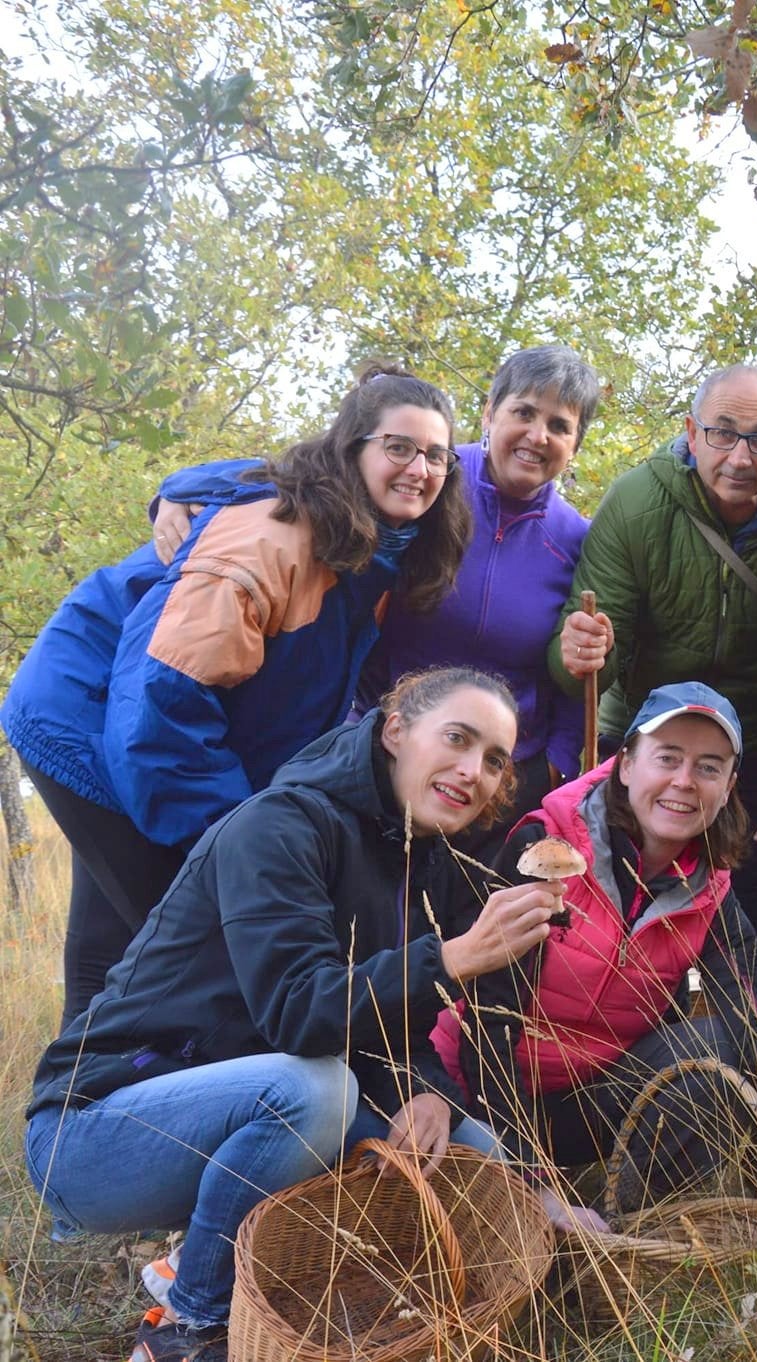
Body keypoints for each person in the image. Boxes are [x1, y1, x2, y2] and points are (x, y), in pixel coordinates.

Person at [22, 668, 561, 1362]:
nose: (474, 772)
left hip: (241, 1114)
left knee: (468, 1155)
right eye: (456, 739)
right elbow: (300, 1016)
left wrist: (430, 1094)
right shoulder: (280, 824)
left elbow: (382, 1027)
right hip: (93, 1134)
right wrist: (454, 957)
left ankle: (250, 1278)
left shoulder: (414, 858)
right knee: (316, 1092)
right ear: (395, 730)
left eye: (493, 760)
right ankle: (189, 1326)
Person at [1, 365, 473, 1025]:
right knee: (195, 949)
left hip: (139, 725)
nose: (419, 467)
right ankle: (118, 1111)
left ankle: (72, 1110)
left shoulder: (375, 551)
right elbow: (165, 703)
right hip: (87, 716)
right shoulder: (270, 537)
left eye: (435, 455)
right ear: (353, 447)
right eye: (398, 447)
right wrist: (241, 839)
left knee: (115, 943)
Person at [431, 681, 757, 1216]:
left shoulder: (713, 895)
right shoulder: (542, 852)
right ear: (624, 764)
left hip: (589, 1104)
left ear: (730, 785)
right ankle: (544, 1216)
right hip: (475, 1099)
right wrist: (533, 1179)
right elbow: (488, 1024)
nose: (684, 782)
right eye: (668, 758)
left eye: (709, 767)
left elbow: (743, 1033)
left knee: (712, 1051)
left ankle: (625, 1235)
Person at [148, 345, 605, 845]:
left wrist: (556, 768)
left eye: (559, 426)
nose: (537, 435)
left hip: (495, 783)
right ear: (490, 412)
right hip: (380, 755)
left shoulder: (576, 542)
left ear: (576, 443)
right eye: (523, 412)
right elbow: (316, 475)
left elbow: (571, 674)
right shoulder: (432, 482)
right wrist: (185, 485)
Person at [550, 364, 757, 992]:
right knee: (614, 904)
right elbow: (591, 661)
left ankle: (756, 1058)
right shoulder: (638, 504)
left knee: (749, 913)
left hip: (752, 750)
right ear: (691, 432)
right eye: (722, 433)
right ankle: (609, 1038)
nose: (740, 456)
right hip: (646, 736)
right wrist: (579, 657)